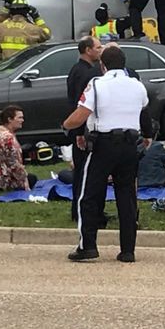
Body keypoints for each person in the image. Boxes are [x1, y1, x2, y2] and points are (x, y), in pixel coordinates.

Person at [62, 45, 149, 263]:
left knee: (88, 194)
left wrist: (66, 125)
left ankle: (87, 246)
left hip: (103, 145)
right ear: (124, 63)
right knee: (127, 197)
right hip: (130, 146)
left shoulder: (97, 84)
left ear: (103, 65)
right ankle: (128, 250)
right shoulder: (136, 85)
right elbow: (145, 113)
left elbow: (81, 115)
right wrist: (147, 135)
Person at [67, 36, 103, 222]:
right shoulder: (85, 73)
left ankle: (81, 211)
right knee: (84, 174)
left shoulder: (79, 69)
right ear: (88, 50)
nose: (100, 50)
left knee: (83, 173)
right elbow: (80, 106)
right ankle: (82, 212)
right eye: (98, 47)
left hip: (80, 131)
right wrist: (80, 133)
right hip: (82, 132)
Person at [0, 105, 34, 192]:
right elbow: (14, 165)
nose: (22, 120)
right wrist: (26, 185)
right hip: (2, 182)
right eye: (20, 118)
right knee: (32, 178)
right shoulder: (8, 138)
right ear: (10, 119)